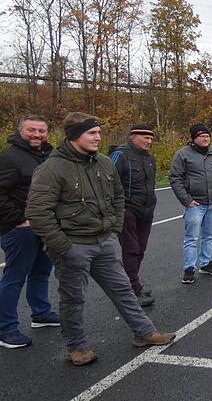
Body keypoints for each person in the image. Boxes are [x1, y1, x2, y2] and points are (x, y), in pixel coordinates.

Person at [25, 112, 175, 366]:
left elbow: (117, 196)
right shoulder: (52, 168)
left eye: (98, 132)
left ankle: (144, 332)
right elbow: (38, 213)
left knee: (123, 290)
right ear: (74, 136)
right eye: (92, 133)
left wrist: (114, 226)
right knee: (73, 299)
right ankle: (76, 347)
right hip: (73, 245)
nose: (98, 137)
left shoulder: (103, 163)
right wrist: (64, 246)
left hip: (103, 241)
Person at [0, 115, 58, 349]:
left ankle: (41, 313)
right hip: (19, 228)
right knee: (14, 277)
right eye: (31, 130)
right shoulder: (9, 158)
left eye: (41, 131)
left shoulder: (49, 155)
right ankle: (6, 329)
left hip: (45, 225)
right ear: (19, 131)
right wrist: (19, 219)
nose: (37, 135)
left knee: (41, 271)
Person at [170, 124, 212, 284]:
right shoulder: (183, 154)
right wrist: (187, 200)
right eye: (202, 136)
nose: (205, 138)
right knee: (191, 238)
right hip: (195, 204)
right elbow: (175, 178)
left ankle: (206, 264)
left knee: (208, 236)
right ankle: (189, 268)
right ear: (194, 138)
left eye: (207, 136)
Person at [109, 124, 157, 307]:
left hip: (146, 210)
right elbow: (108, 181)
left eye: (151, 138)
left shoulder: (149, 158)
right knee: (131, 250)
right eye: (145, 138)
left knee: (140, 249)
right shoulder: (120, 155)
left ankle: (132, 284)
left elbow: (150, 184)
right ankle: (131, 289)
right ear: (133, 137)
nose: (149, 141)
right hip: (127, 211)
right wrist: (118, 206)